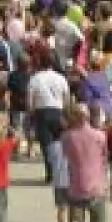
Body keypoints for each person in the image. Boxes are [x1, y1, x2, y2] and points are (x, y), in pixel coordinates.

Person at [61, 103, 111, 222]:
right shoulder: (100, 136)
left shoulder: (67, 137)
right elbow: (105, 158)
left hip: (76, 186)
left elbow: (67, 157)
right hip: (97, 186)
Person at [27, 53, 70, 183]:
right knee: (59, 144)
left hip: (42, 113)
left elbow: (29, 101)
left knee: (46, 145)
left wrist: (31, 115)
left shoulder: (35, 79)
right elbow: (66, 98)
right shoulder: (61, 78)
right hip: (58, 111)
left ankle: (50, 173)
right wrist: (66, 114)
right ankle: (60, 172)